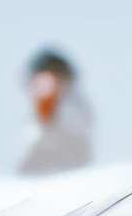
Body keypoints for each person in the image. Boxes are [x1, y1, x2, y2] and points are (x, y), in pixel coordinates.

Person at [17, 45, 97, 174]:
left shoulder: (72, 102)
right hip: (46, 164)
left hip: (67, 161)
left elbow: (46, 115)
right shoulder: (77, 103)